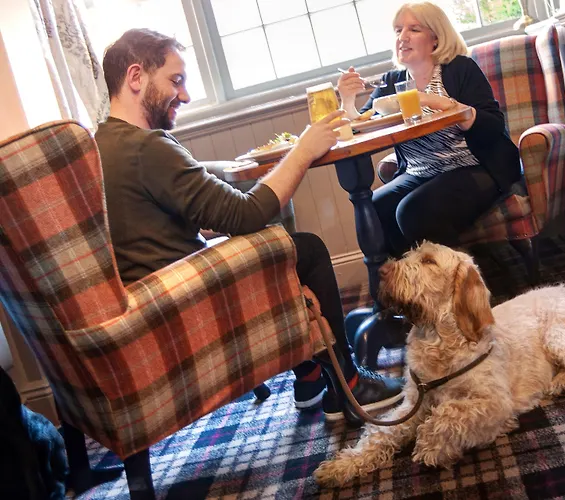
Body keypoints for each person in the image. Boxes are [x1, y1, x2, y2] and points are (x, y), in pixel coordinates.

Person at [94, 28, 403, 424]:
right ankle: (349, 384)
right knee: (305, 249)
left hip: (148, 297)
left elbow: (153, 223)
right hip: (186, 303)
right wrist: (304, 149)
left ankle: (309, 377)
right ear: (136, 77)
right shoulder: (147, 147)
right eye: (176, 80)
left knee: (264, 241)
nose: (185, 96)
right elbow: (246, 214)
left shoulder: (100, 145)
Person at [338, 1, 522, 257]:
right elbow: (361, 128)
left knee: (412, 211)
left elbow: (492, 126)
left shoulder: (460, 69)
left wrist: (435, 102)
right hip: (419, 171)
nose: (402, 37)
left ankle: (455, 277)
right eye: (398, 30)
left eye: (413, 29)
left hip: (474, 167)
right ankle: (413, 278)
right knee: (375, 208)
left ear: (436, 38)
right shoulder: (392, 82)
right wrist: (347, 102)